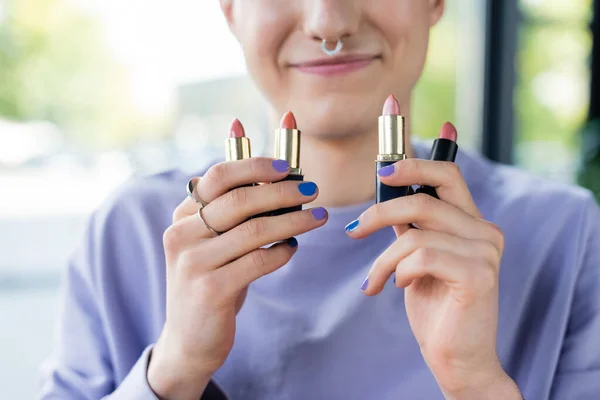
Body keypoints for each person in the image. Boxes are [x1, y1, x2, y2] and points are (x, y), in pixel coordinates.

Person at [39, 1, 600, 399]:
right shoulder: (133, 231)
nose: (329, 22)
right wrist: (175, 369)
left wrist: (476, 383)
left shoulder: (565, 235)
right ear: (230, 9)